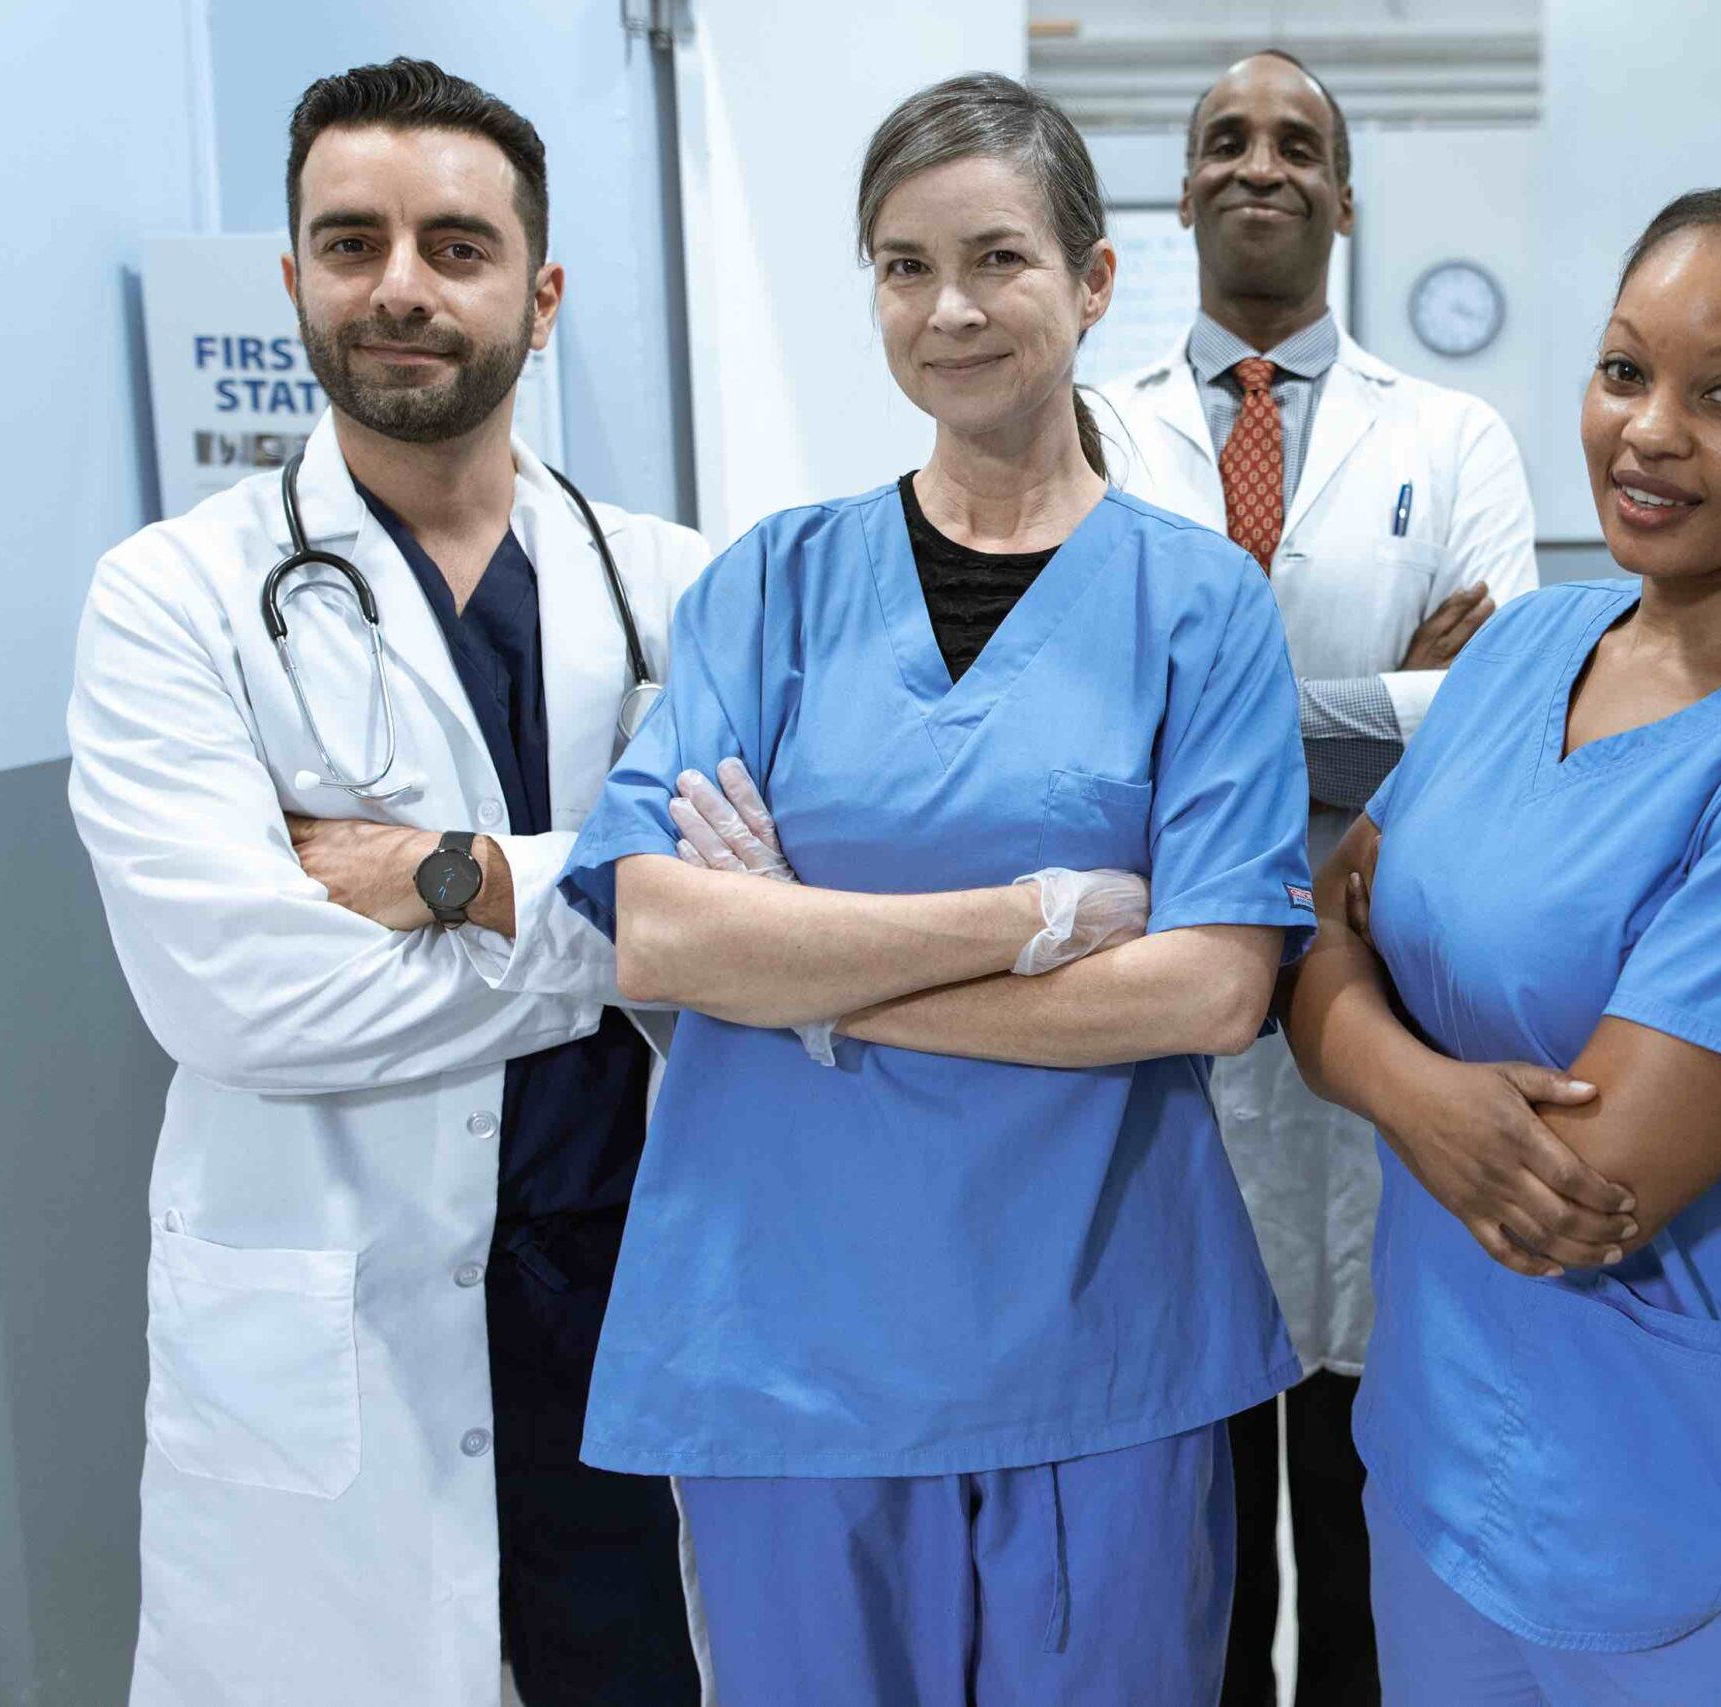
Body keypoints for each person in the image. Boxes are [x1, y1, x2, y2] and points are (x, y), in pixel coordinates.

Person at [553, 73, 1318, 1707]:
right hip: (787, 1342)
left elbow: (1211, 989)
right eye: (903, 266)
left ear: (1095, 282)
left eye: (997, 258)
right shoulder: (773, 582)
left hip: (1099, 1335)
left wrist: (807, 969)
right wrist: (1034, 920)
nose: (949, 308)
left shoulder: (1199, 606)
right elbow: (657, 927)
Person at [66, 59, 710, 1707]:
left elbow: (761, 905)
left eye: (455, 245)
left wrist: (462, 880)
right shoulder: (173, 603)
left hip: (630, 1313)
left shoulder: (681, 588)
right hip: (335, 1321)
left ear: (541, 293)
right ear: (293, 279)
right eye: (350, 244)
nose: (400, 287)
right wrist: (635, 927)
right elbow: (243, 996)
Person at [1284, 185, 1721, 1707]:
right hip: (1446, 1453)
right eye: (1624, 370)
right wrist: (1427, 1086)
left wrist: (1355, 1025)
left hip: (1698, 1516)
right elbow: (1318, 919)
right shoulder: (1523, 647)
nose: (1650, 431)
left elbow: (1580, 1195)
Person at [1094, 52, 1538, 1704]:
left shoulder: (1457, 433)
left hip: (1378, 991)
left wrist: (1200, 721)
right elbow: (1072, 718)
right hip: (1168, 1007)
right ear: (1187, 189)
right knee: (1194, 1514)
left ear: (1344, 199)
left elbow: (1480, 719)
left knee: (1371, 1495)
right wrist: (1372, 713)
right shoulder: (1092, 426)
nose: (1259, 164)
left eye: (1298, 145)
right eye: (1225, 139)